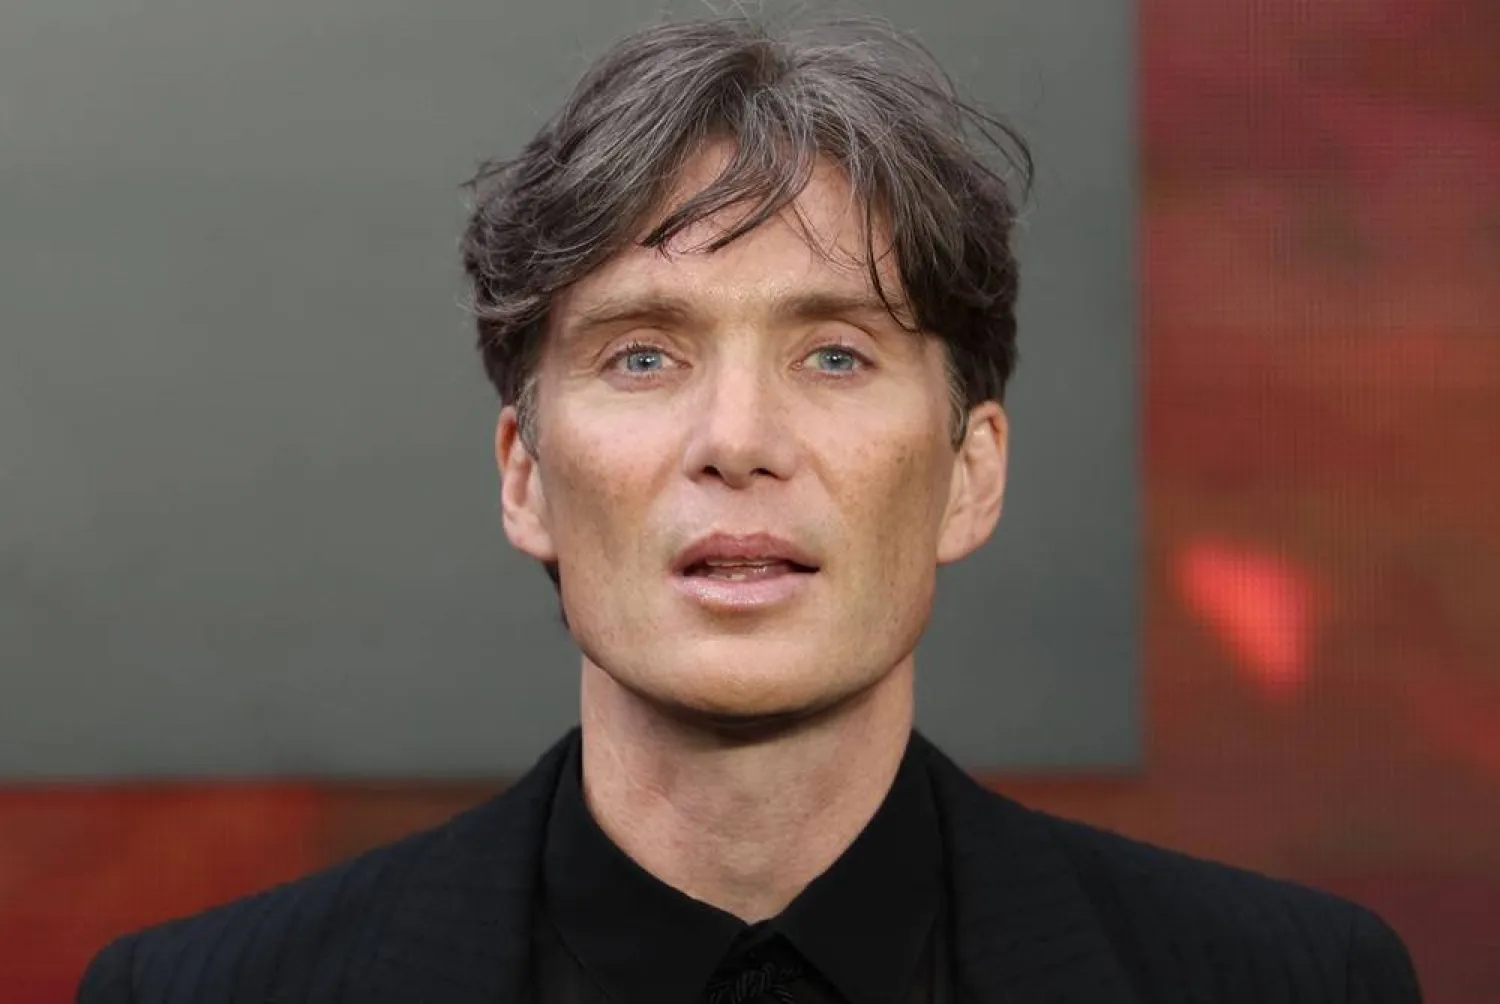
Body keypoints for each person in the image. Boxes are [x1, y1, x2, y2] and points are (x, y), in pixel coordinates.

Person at [76, 15, 1422, 1004]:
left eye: (834, 355)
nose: (737, 442)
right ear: (525, 475)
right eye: (642, 356)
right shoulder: (195, 996)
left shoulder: (1300, 985)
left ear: (971, 473)